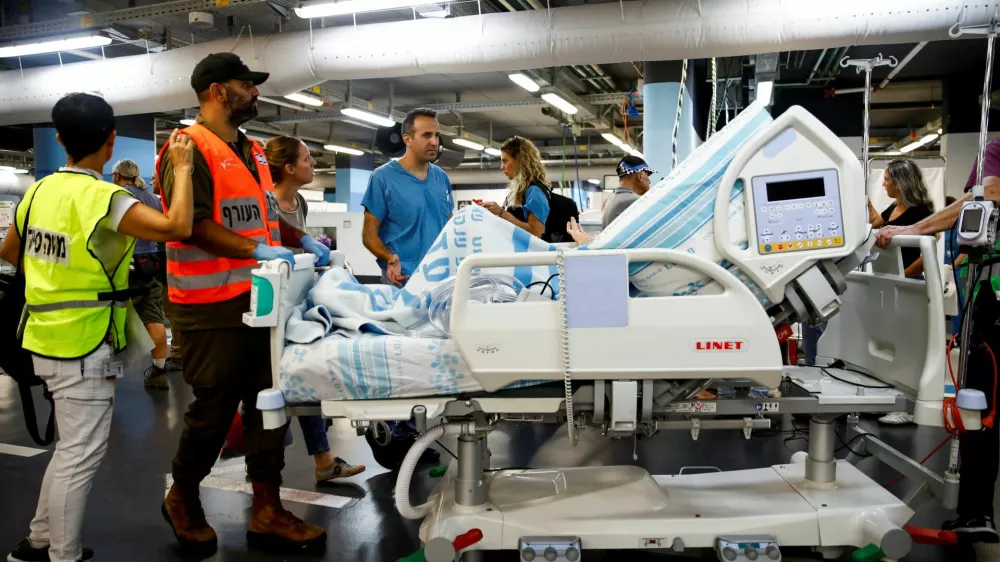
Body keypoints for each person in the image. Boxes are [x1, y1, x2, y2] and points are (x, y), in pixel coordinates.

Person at [1, 93, 195, 562]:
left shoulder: (37, 193)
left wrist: (56, 277)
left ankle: (40, 540)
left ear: (61, 140)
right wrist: (183, 167)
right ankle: (61, 555)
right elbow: (176, 227)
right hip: (86, 344)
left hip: (42, 337)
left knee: (69, 450)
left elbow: (11, 253)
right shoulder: (106, 198)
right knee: (80, 456)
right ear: (110, 142)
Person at [158, 52, 331, 555]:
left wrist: (301, 241)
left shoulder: (251, 151)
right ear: (217, 91)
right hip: (209, 303)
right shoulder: (186, 148)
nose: (255, 92)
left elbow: (265, 222)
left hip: (259, 299)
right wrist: (256, 250)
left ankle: (267, 510)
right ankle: (182, 499)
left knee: (266, 406)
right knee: (212, 409)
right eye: (246, 84)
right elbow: (193, 225)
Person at [875, 139, 1000, 543]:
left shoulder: (994, 149)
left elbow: (987, 196)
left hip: (993, 304)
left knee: (980, 410)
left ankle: (978, 512)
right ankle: (976, 512)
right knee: (982, 411)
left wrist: (912, 230)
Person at [264, 135, 366, 482]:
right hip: (275, 305)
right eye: (307, 160)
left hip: (299, 301)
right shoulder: (268, 205)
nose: (314, 165)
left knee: (302, 378)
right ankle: (263, 465)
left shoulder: (301, 203)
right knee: (275, 387)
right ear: (289, 167)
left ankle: (322, 462)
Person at [362, 108, 453, 287]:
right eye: (426, 135)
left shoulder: (441, 178)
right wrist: (389, 258)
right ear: (407, 139)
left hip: (442, 277)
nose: (434, 142)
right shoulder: (383, 178)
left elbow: (450, 225)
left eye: (436, 135)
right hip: (403, 279)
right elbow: (368, 235)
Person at [110, 159, 170, 390]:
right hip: (152, 264)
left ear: (117, 176)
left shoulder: (117, 195)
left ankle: (107, 371)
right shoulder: (153, 199)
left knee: (111, 318)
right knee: (154, 317)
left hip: (126, 266)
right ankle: (159, 370)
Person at [565, 154, 656, 245]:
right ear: (640, 176)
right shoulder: (633, 201)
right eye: (647, 176)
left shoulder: (612, 202)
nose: (649, 181)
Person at [867, 158, 935, 279]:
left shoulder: (921, 211)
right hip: (890, 276)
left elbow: (928, 256)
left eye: (886, 179)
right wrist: (866, 200)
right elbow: (875, 222)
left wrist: (903, 277)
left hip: (908, 280)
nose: (883, 184)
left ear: (899, 183)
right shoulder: (894, 206)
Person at [482, 136, 550, 238]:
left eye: (505, 161)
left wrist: (501, 213)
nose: (501, 167)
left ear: (520, 161)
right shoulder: (519, 191)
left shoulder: (534, 191)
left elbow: (535, 233)